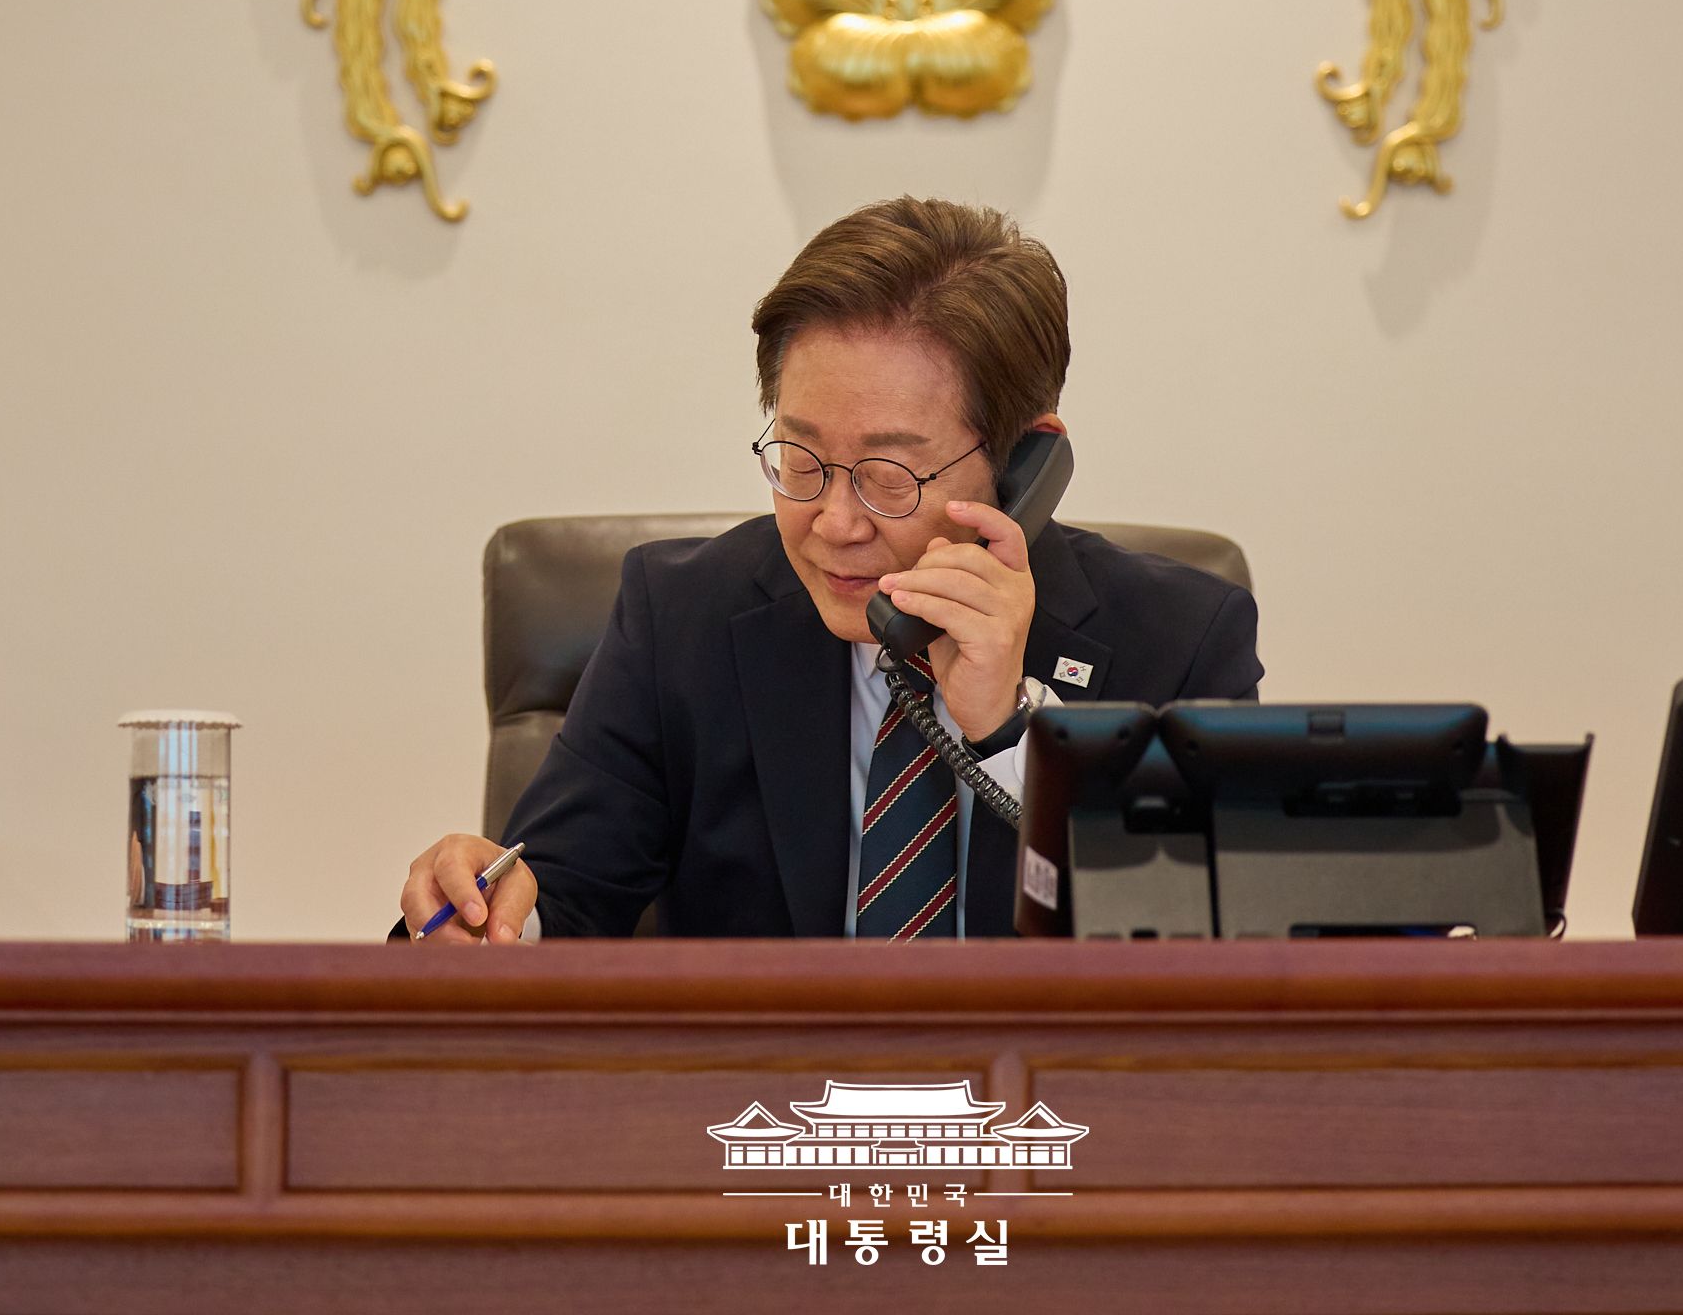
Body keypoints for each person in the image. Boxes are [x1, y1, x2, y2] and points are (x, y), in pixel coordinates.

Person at [399, 197, 1262, 940]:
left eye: (891, 475)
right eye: (801, 459)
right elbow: (561, 898)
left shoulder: (1180, 642)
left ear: (1024, 466)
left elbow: (1213, 953)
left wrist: (1008, 732)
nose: (835, 524)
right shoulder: (682, 616)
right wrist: (485, 923)